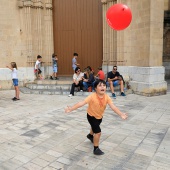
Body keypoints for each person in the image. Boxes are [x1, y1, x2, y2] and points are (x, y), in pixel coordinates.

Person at [65, 79, 128, 155]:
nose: (102, 87)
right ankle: (96, 148)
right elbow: (82, 103)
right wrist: (71, 109)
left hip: (99, 117)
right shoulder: (92, 96)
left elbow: (113, 107)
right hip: (91, 116)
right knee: (98, 133)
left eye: (104, 85)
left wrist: (121, 114)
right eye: (100, 85)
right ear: (95, 88)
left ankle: (90, 135)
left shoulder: (107, 97)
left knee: (95, 126)